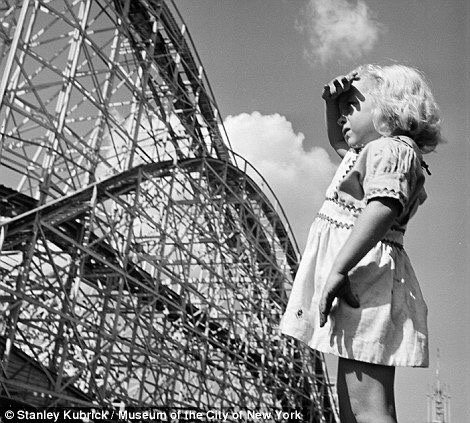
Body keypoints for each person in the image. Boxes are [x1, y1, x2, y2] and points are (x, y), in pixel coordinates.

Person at [279, 64, 442, 423]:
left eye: (353, 105)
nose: (343, 115)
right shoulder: (371, 151)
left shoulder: (391, 150)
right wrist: (330, 104)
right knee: (354, 405)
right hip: (362, 280)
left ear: (391, 109)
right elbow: (341, 144)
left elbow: (383, 207)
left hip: (365, 278)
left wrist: (339, 268)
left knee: (367, 406)